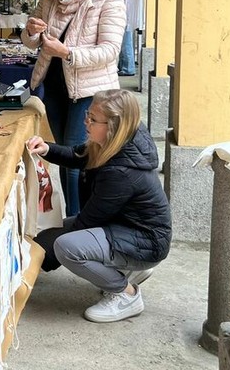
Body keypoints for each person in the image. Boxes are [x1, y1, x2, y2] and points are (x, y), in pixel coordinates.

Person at [27, 89, 171, 323]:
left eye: (93, 119)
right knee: (43, 242)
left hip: (146, 242)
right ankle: (126, 269)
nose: (86, 122)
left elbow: (87, 222)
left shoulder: (121, 173)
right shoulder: (116, 142)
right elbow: (79, 156)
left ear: (113, 126)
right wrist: (47, 149)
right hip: (125, 226)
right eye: (88, 115)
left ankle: (126, 294)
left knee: (65, 247)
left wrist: (45, 258)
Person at [21, 0, 125, 216]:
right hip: (55, 87)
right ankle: (74, 218)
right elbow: (31, 42)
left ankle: (78, 220)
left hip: (89, 91)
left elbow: (110, 51)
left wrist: (67, 53)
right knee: (66, 159)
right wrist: (30, 30)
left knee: (75, 156)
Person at [100, 0, 136, 76]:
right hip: (128, 17)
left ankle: (128, 69)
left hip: (124, 18)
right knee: (126, 43)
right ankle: (124, 67)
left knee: (125, 44)